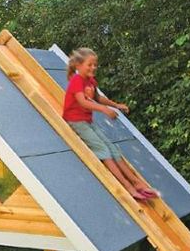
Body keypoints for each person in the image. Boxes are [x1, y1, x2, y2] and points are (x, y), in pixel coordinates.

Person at [63, 47, 157, 201]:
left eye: (95, 65)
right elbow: (82, 101)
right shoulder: (76, 81)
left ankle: (136, 182)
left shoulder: (90, 81)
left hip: (87, 121)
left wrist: (115, 105)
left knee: (113, 149)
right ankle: (128, 186)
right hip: (75, 121)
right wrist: (104, 110)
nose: (93, 67)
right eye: (89, 64)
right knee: (103, 150)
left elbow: (98, 98)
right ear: (78, 65)